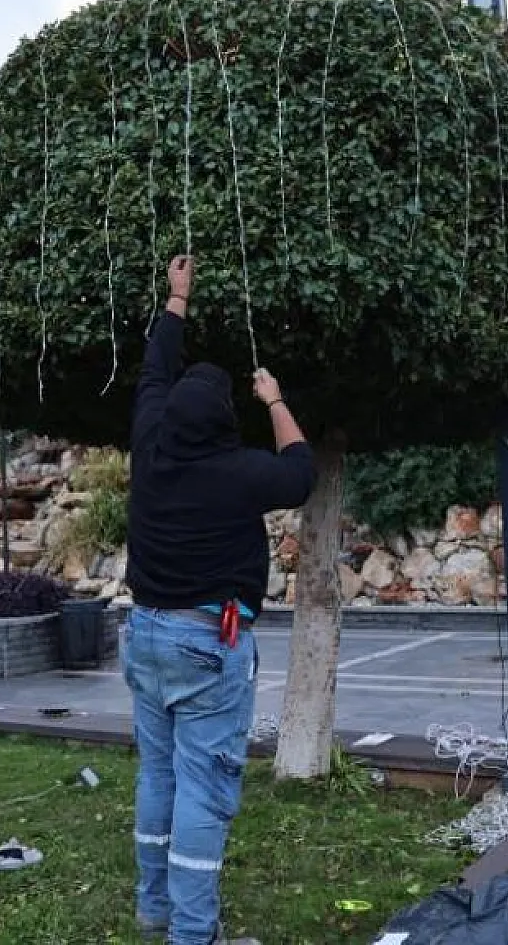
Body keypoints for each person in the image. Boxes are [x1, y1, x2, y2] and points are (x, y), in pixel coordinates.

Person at [122, 256, 317, 945]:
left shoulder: (149, 442)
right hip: (207, 646)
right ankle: (193, 935)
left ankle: (156, 909)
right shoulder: (237, 471)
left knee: (161, 774)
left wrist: (177, 299)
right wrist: (273, 398)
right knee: (204, 788)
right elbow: (300, 473)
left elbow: (153, 369)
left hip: (143, 634)